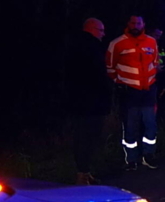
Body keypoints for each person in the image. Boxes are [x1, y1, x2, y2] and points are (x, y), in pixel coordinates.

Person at [106, 15, 160, 170]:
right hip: (129, 92)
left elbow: (155, 62)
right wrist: (122, 82)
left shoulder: (151, 41)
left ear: (143, 24)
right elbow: (110, 67)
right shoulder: (117, 43)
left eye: (138, 23)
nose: (136, 25)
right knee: (130, 126)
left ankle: (148, 155)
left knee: (150, 125)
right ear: (128, 24)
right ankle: (131, 159)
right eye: (133, 23)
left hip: (148, 91)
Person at [66, 18, 111, 184]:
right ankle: (82, 174)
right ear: (92, 29)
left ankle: (84, 172)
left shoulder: (75, 46)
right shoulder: (91, 48)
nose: (103, 34)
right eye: (101, 30)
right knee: (86, 139)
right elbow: (98, 77)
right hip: (90, 104)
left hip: (80, 102)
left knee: (83, 138)